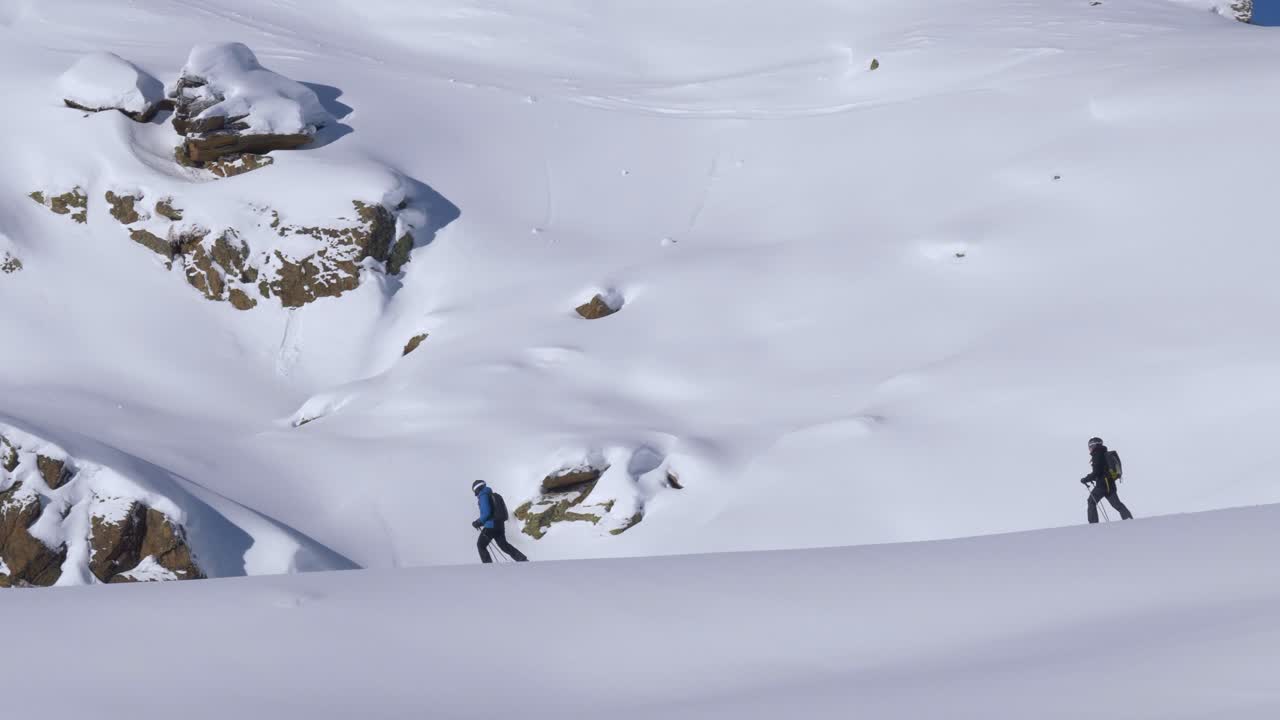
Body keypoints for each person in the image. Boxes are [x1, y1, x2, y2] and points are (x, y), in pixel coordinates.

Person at [472, 480, 528, 563]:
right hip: (500, 524)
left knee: (481, 545)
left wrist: (478, 522)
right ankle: (522, 559)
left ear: (477, 489)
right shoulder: (492, 494)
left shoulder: (483, 495)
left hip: (491, 526)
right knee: (503, 545)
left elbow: (486, 512)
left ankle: (488, 566)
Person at [1080, 437, 1134, 523]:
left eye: (1089, 446)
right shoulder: (1104, 453)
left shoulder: (1097, 454)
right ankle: (1129, 519)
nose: (1089, 449)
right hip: (1110, 484)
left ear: (1093, 445)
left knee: (1091, 501)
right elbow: (1102, 470)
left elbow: (1096, 472)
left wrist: (1085, 479)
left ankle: (1093, 525)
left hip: (1102, 485)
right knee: (1117, 504)